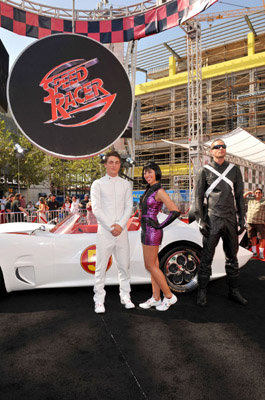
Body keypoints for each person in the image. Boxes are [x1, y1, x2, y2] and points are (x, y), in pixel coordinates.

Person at [194, 138, 247, 307]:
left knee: (232, 258)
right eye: (217, 147)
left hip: (230, 219)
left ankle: (234, 291)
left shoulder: (235, 170)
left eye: (223, 146)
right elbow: (198, 197)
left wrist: (242, 218)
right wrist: (200, 219)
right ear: (211, 151)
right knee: (206, 258)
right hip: (212, 219)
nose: (221, 149)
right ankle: (202, 292)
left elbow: (239, 196)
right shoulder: (204, 171)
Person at [91, 151, 134, 313]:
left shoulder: (125, 184)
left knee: (124, 266)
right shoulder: (98, 184)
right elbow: (96, 209)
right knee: (100, 267)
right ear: (105, 164)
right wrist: (111, 226)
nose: (114, 165)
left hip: (122, 232)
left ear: (120, 165)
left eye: (116, 162)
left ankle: (126, 296)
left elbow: (129, 207)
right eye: (111, 162)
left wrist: (120, 225)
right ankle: (99, 300)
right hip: (105, 232)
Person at [139, 162, 180, 311]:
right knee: (153, 266)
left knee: (149, 265)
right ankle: (156, 298)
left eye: (150, 172)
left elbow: (175, 211)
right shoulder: (149, 190)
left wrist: (160, 225)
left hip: (152, 231)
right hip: (145, 230)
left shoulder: (159, 191)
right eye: (145, 173)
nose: (147, 175)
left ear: (156, 173)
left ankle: (169, 297)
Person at [243, 188, 265, 259]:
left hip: (260, 222)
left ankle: (261, 253)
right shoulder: (250, 200)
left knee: (262, 238)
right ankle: (254, 252)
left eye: (259, 193)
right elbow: (242, 197)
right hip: (250, 222)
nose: (257, 194)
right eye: (256, 192)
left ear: (261, 194)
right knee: (252, 238)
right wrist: (249, 192)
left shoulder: (264, 201)